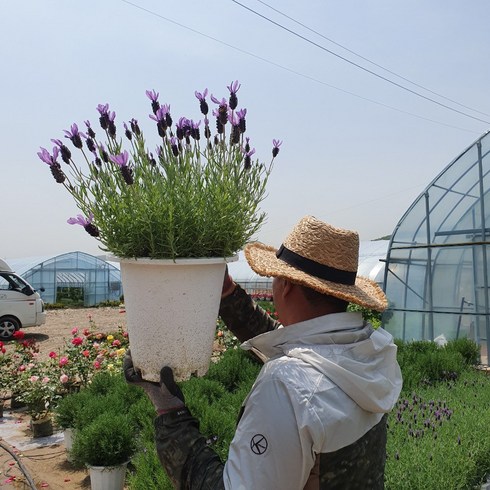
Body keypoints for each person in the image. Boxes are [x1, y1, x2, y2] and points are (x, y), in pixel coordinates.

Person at [124, 215, 403, 489]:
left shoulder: (286, 385)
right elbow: (293, 343)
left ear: (287, 285)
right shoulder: (369, 350)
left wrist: (170, 413)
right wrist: (226, 293)